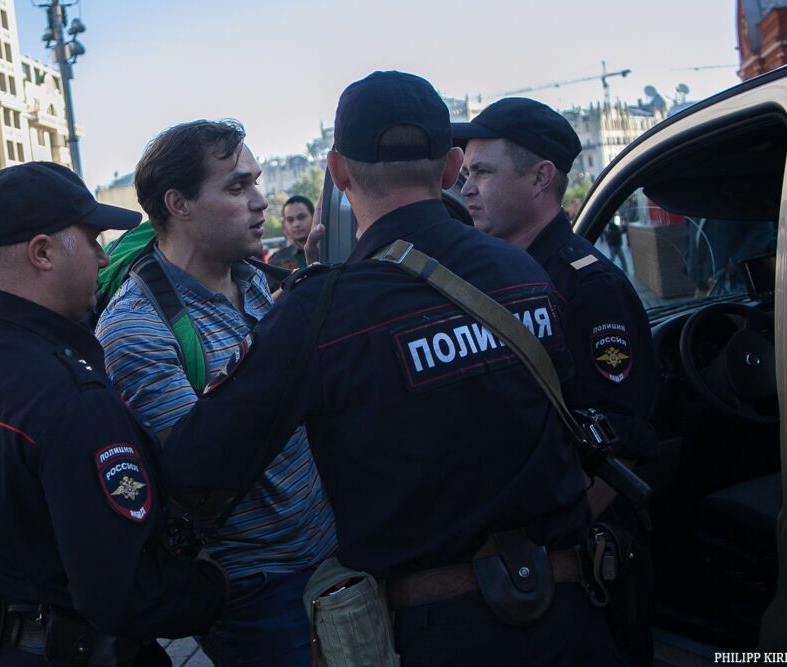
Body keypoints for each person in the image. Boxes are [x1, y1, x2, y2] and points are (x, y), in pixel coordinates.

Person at [158, 71, 624, 665]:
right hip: (572, 614)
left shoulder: (319, 311)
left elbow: (198, 462)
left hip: (438, 633)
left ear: (337, 171)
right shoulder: (527, 273)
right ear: (452, 167)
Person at [0, 162, 227, 666]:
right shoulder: (70, 399)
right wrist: (212, 584)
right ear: (42, 252)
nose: (104, 258)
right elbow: (123, 593)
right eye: (91, 240)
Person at [96, 120, 336, 667]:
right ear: (178, 204)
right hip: (257, 588)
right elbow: (196, 464)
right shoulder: (136, 325)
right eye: (236, 188)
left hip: (329, 549)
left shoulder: (253, 277)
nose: (260, 201)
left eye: (256, 182)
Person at [453, 97, 658, 666]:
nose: (467, 189)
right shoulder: (508, 278)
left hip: (583, 563)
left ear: (541, 177)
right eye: (466, 174)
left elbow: (625, 443)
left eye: (484, 173)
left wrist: (555, 551)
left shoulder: (585, 287)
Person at [265, 195, 314, 293]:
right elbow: (268, 302)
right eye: (290, 220)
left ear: (314, 216)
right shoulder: (276, 261)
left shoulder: (330, 249)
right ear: (285, 224)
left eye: (302, 217)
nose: (296, 224)